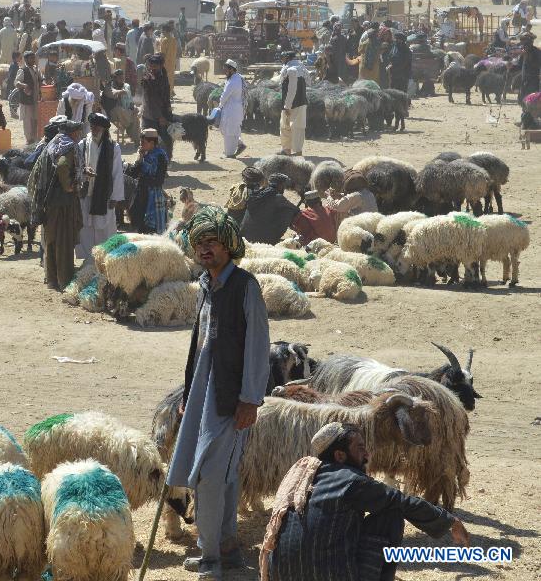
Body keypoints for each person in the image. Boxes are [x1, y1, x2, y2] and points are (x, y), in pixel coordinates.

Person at [167, 204, 270, 581]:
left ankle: (209, 557)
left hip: (230, 396)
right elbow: (199, 345)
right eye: (200, 243)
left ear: (228, 246)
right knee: (223, 474)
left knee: (209, 475)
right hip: (202, 393)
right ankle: (225, 547)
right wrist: (187, 393)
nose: (205, 249)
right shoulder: (206, 286)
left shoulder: (246, 287)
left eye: (213, 242)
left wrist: (250, 399)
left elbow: (258, 346)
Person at [263, 422, 469, 581]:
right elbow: (402, 501)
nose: (367, 454)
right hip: (325, 575)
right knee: (392, 513)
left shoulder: (302, 476)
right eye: (360, 448)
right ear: (340, 455)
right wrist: (451, 522)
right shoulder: (351, 481)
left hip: (281, 575)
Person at [36, 119, 84, 290]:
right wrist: (69, 186)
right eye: (77, 132)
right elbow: (63, 165)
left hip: (49, 201)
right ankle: (65, 279)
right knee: (64, 240)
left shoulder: (53, 144)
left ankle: (52, 279)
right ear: (72, 133)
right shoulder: (69, 146)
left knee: (51, 239)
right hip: (63, 202)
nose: (79, 135)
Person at [75, 113, 124, 260]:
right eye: (92, 126)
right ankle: (88, 260)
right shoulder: (82, 145)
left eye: (97, 127)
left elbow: (117, 174)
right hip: (86, 193)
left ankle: (106, 258)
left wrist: (115, 197)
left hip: (104, 195)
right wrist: (84, 172)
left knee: (105, 227)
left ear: (104, 129)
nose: (94, 129)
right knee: (86, 227)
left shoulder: (113, 148)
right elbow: (76, 167)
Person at [127, 128, 169, 234]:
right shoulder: (144, 154)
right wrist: (139, 159)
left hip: (153, 196)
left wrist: (142, 179)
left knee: (151, 228)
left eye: (143, 142)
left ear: (152, 143)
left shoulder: (160, 156)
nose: (141, 144)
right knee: (136, 218)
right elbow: (133, 173)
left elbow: (159, 181)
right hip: (141, 193)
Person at [241, 174, 300, 245]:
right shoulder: (277, 197)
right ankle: (272, 240)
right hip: (260, 239)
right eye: (283, 185)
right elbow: (295, 209)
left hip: (244, 235)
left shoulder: (259, 193)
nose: (283, 188)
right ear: (280, 185)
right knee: (288, 211)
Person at [140, 53, 173, 157]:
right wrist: (160, 117)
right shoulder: (148, 78)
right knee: (149, 141)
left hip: (162, 112)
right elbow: (151, 101)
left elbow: (167, 92)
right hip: (150, 115)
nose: (152, 68)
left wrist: (168, 108)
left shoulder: (163, 74)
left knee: (166, 139)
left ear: (161, 66)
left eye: (155, 66)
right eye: (151, 65)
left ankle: (165, 162)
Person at [215, 59, 247, 160]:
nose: (225, 71)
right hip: (235, 109)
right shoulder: (237, 77)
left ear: (232, 70)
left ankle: (229, 154)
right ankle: (240, 144)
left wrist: (219, 106)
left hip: (232, 110)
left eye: (226, 70)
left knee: (229, 131)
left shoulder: (233, 81)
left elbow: (224, 96)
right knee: (231, 130)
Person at [279, 50, 307, 156]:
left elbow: (292, 89)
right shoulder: (302, 68)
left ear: (287, 58)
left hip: (294, 103)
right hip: (295, 102)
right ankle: (286, 149)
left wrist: (287, 106)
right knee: (285, 126)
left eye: (283, 58)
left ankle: (297, 151)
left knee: (297, 127)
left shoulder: (292, 70)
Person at [102, 69, 140, 143]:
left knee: (135, 116)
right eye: (120, 78)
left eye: (123, 78)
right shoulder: (109, 86)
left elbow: (130, 100)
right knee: (120, 110)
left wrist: (133, 107)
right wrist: (119, 92)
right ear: (115, 78)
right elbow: (112, 93)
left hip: (124, 112)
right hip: (112, 112)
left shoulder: (125, 86)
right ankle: (128, 122)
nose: (122, 80)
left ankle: (136, 139)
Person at [15, 51, 41, 144]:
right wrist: (24, 85)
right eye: (31, 58)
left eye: (34, 58)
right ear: (26, 59)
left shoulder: (35, 69)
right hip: (26, 100)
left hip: (35, 99)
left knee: (35, 119)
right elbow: (17, 83)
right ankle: (28, 139)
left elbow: (40, 81)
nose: (33, 60)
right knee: (27, 120)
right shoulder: (22, 70)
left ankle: (34, 138)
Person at [158, 23, 179, 94]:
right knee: (170, 79)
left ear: (165, 31)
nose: (161, 32)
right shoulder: (174, 40)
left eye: (162, 31)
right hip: (172, 63)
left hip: (165, 64)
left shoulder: (164, 41)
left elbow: (162, 54)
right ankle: (169, 94)